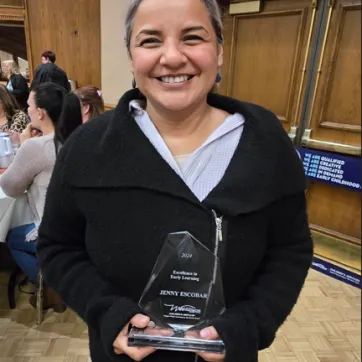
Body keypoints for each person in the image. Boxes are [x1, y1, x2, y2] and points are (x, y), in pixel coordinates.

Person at [37, 0, 313, 361]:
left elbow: (290, 249)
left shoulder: (265, 142)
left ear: (219, 51)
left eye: (193, 37)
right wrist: (107, 313)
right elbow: (58, 247)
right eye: (151, 41)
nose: (172, 56)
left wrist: (252, 322)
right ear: (131, 56)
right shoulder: (87, 149)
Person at [1, 82, 82, 311]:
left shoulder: (37, 146)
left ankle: (49, 283)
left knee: (9, 237)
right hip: (79, 226)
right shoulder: (76, 137)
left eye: (28, 105)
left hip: (52, 229)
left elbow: (10, 187)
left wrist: (26, 144)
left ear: (40, 112)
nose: (26, 109)